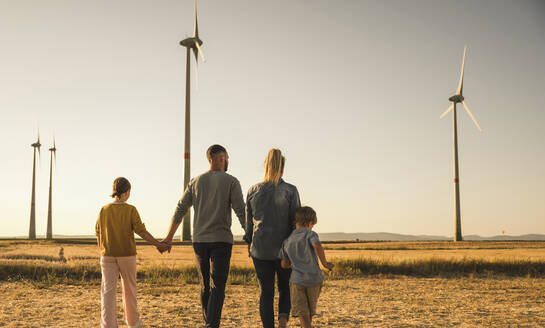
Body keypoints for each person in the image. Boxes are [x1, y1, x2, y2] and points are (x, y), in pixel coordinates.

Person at [163, 144, 246, 328]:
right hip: (222, 240)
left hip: (199, 240)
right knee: (218, 285)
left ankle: (208, 322)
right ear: (222, 158)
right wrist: (249, 235)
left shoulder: (195, 182)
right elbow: (241, 210)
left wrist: (169, 237)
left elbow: (180, 209)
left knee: (205, 285)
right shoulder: (232, 181)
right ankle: (211, 325)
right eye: (226, 158)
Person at [95, 177, 169, 328]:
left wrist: (102, 249)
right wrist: (158, 244)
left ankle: (108, 325)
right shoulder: (130, 210)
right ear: (127, 191)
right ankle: (133, 323)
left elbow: (98, 231)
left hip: (107, 255)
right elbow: (141, 231)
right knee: (129, 290)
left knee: (108, 292)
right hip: (127, 255)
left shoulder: (104, 209)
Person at [244, 148, 300, 328]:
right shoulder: (290, 191)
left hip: (259, 250)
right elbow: (296, 223)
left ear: (266, 166)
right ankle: (283, 321)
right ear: (282, 168)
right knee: (285, 288)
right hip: (284, 250)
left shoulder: (253, 190)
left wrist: (248, 243)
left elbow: (248, 225)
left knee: (265, 293)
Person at [279, 206, 334, 328]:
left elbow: (284, 264)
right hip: (314, 280)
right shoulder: (310, 234)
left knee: (302, 312)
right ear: (310, 223)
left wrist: (293, 262)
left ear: (295, 222)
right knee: (309, 310)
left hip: (297, 281)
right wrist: (324, 263)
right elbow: (317, 246)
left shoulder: (287, 241)